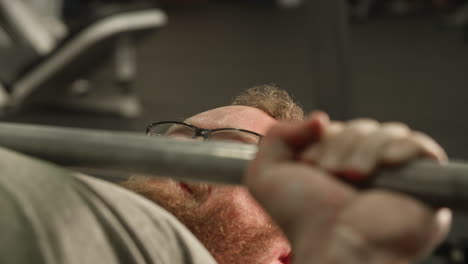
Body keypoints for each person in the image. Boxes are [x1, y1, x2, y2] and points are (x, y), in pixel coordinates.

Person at [0, 84, 450, 264]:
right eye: (179, 133)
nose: (183, 149)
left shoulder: (157, 248)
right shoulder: (91, 207)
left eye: (230, 149)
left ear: (286, 254)